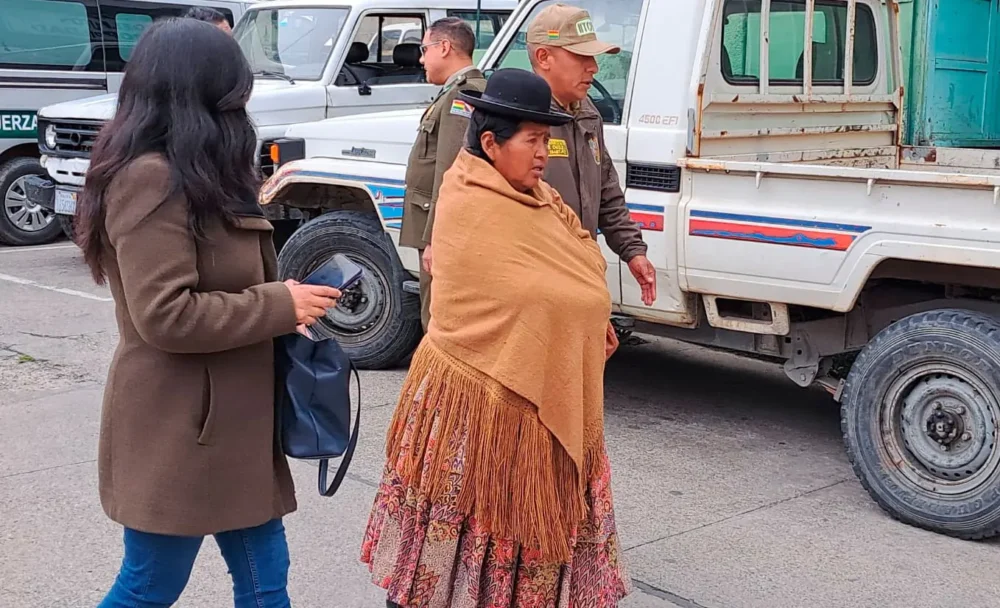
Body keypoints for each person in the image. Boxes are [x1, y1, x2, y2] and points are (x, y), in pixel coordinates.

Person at [74, 19, 339, 607]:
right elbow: (164, 315)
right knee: (150, 587)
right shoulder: (149, 178)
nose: (241, 111)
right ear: (194, 96)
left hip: (234, 426)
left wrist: (288, 300)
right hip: (181, 428)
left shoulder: (199, 172)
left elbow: (229, 279)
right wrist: (278, 304)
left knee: (267, 583)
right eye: (231, 96)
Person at [362, 68, 630, 607]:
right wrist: (576, 305)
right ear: (491, 142)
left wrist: (585, 306)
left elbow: (578, 258)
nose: (543, 153)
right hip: (478, 408)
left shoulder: (540, 200)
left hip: (539, 403)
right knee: (460, 543)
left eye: (546, 139)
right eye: (532, 140)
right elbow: (522, 297)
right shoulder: (471, 202)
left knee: (516, 554)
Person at [527, 4, 657, 306]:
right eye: (581, 57)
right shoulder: (519, 120)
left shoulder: (587, 115)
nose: (594, 67)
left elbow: (606, 193)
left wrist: (633, 251)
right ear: (544, 57)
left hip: (580, 275)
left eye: (593, 57)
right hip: (536, 283)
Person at [399, 17, 486, 331]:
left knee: (437, 316)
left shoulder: (463, 95)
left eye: (425, 49)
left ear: (445, 47)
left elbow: (450, 172)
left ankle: (434, 380)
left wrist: (438, 236)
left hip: (441, 227)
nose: (421, 59)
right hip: (435, 223)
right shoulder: (453, 92)